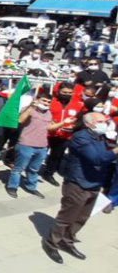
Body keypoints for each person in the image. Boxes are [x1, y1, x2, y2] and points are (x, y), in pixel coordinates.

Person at [42, 112, 118, 264]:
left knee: (82, 217)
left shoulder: (101, 136)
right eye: (101, 121)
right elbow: (97, 158)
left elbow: (106, 154)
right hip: (78, 184)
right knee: (67, 217)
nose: (105, 123)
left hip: (94, 183)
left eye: (106, 120)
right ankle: (51, 243)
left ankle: (67, 240)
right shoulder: (81, 137)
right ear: (89, 123)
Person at [6, 93, 59, 199]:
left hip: (42, 146)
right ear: (37, 100)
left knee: (34, 169)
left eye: (49, 102)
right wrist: (31, 107)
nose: (46, 103)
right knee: (18, 168)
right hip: (26, 144)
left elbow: (49, 127)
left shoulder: (49, 113)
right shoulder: (28, 109)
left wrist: (63, 123)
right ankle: (12, 187)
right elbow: (20, 120)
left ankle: (31, 187)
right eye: (44, 100)